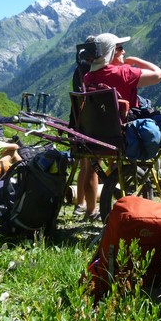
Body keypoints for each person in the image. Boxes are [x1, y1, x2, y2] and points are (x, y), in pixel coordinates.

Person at [81, 33, 161, 221]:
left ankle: (90, 211)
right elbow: (158, 74)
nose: (124, 52)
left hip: (97, 135)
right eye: (119, 48)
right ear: (110, 52)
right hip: (122, 136)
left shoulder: (88, 77)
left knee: (89, 169)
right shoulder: (123, 73)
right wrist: (136, 61)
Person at [69, 36, 97, 217]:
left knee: (84, 166)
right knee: (94, 166)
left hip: (77, 122)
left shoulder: (79, 69)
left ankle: (80, 203)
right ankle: (92, 210)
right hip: (91, 123)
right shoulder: (92, 70)